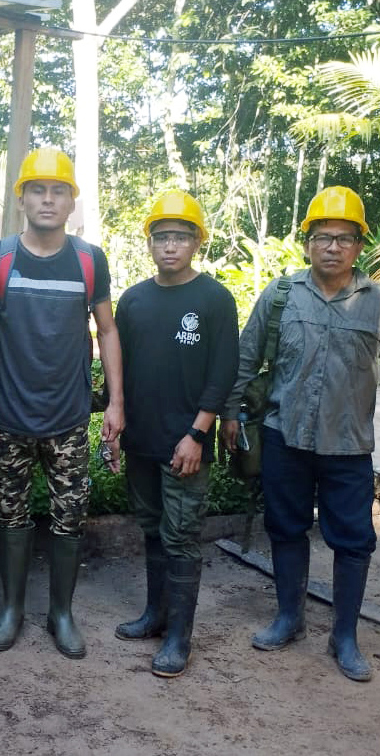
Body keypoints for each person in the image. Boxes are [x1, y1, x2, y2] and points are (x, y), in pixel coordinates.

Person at [221, 186, 380, 682]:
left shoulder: (379, 305)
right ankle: (289, 618)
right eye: (323, 236)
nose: (333, 246)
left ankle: (344, 635)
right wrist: (229, 412)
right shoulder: (281, 294)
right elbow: (246, 357)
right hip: (284, 436)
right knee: (285, 529)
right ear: (307, 242)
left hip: (348, 446)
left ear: (359, 245)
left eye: (344, 238)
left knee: (353, 541)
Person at [0, 148, 125, 659]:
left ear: (70, 201)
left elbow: (107, 330)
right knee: (10, 513)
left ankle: (61, 612)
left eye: (57, 190)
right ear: (22, 198)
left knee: (70, 516)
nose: (47, 199)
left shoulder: (89, 260)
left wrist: (115, 403)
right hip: (9, 418)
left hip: (67, 419)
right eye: (37, 190)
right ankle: (12, 608)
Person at [110, 191, 238, 677]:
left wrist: (198, 435)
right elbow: (120, 366)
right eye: (161, 237)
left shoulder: (213, 299)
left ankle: (180, 638)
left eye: (180, 237)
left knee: (181, 536)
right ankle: (155, 615)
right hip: (140, 439)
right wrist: (116, 419)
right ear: (150, 243)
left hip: (185, 443)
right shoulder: (134, 300)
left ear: (196, 242)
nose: (170, 246)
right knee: (151, 529)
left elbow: (222, 372)